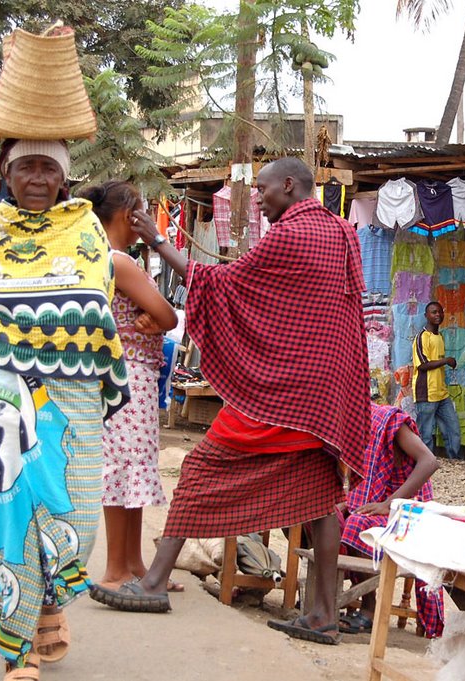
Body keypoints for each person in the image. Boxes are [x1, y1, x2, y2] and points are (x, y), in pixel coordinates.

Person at [92, 157, 370, 647]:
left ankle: (153, 582)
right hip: (326, 394)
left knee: (199, 470)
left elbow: (226, 285)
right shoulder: (341, 231)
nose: (258, 199)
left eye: (263, 190)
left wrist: (158, 242)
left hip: (285, 392)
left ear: (289, 185)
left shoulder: (291, 233)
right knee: (322, 500)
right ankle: (322, 615)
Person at [0, 138, 130, 679]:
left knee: (75, 513)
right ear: (7, 173)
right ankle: (15, 649)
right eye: (25, 167)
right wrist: (18, 325)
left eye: (48, 167)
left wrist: (22, 318)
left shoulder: (85, 228)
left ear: (63, 177)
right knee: (2, 507)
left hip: (69, 395)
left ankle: (48, 602)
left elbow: (91, 298)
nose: (37, 178)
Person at [78, 181, 178, 592]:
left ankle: (133, 562)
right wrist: (156, 317)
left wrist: (153, 318)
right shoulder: (120, 261)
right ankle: (116, 568)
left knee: (132, 468)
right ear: (126, 215)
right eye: (142, 210)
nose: (148, 219)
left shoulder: (106, 257)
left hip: (125, 371)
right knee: (122, 468)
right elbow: (169, 316)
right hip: (128, 374)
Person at [339, 402, 444, 638]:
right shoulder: (353, 426)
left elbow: (429, 462)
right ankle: (328, 600)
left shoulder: (388, 422)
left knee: (356, 525)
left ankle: (368, 606)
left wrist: (389, 504)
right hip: (384, 504)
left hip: (410, 508)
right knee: (331, 518)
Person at [412, 301, 462, 459]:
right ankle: (426, 463)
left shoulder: (439, 336)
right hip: (426, 392)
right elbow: (422, 365)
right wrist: (446, 360)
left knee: (452, 428)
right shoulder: (421, 337)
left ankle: (454, 460)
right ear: (426, 315)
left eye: (440, 312)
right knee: (425, 432)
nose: (437, 315)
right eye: (433, 312)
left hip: (441, 392)